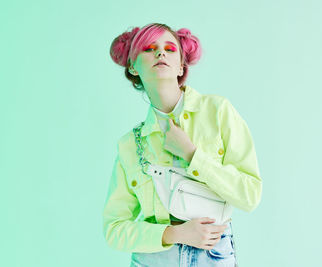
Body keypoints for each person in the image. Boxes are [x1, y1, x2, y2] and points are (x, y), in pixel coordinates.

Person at [103, 22, 262, 267]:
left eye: (169, 48)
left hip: (213, 254)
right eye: (148, 48)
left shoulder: (217, 112)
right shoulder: (129, 144)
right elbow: (114, 229)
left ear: (181, 66)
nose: (160, 53)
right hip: (153, 259)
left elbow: (250, 196)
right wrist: (174, 234)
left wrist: (192, 154)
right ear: (133, 67)